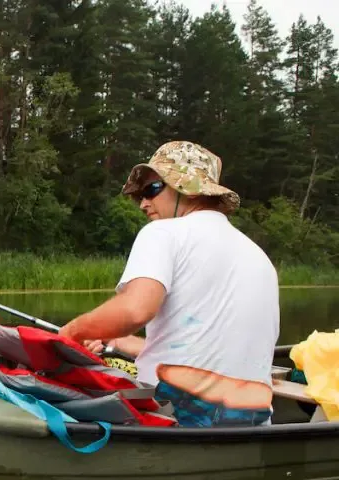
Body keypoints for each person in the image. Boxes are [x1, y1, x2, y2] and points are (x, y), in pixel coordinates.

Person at [58, 140, 280, 426]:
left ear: (187, 186)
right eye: (140, 194)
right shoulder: (258, 255)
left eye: (152, 189)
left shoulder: (163, 233)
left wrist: (69, 334)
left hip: (174, 418)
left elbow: (135, 311)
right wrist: (113, 339)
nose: (143, 203)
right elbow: (202, 347)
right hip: (252, 423)